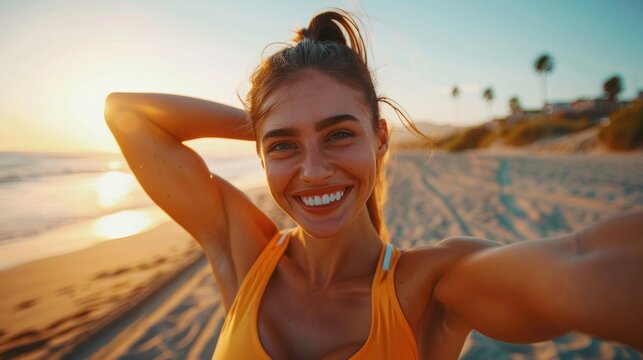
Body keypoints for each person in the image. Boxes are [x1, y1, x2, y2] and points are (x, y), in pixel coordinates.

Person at [104, 9, 643, 359]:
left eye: (339, 135)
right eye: (284, 147)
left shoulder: (428, 287)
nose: (313, 171)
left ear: (380, 138)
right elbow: (126, 114)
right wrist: (269, 123)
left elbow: (584, 263)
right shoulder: (248, 256)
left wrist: (281, 126)